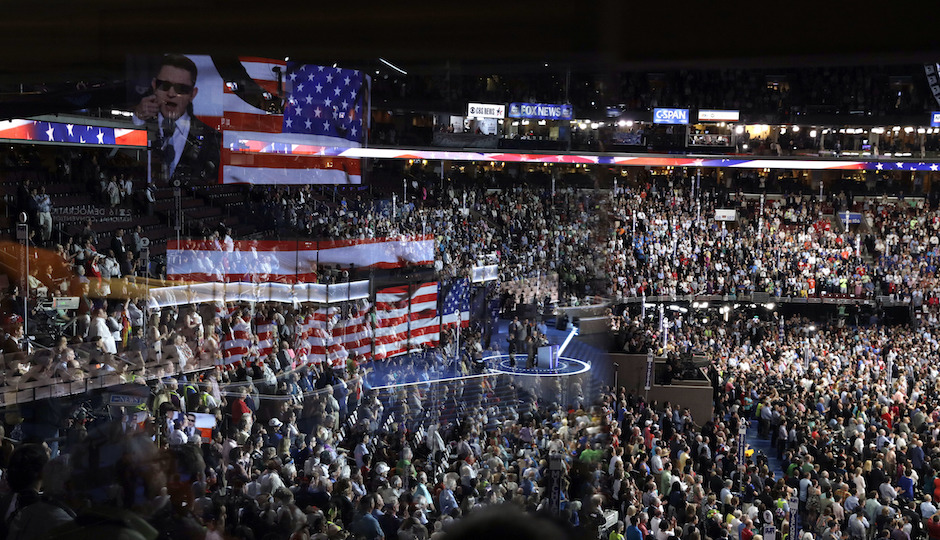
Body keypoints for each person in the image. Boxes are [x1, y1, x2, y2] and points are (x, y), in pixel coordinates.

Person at [133, 54, 221, 186]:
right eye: (165, 85)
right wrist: (137, 117)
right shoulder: (140, 120)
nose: (172, 94)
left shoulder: (209, 135)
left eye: (181, 88)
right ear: (154, 85)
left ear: (193, 94)